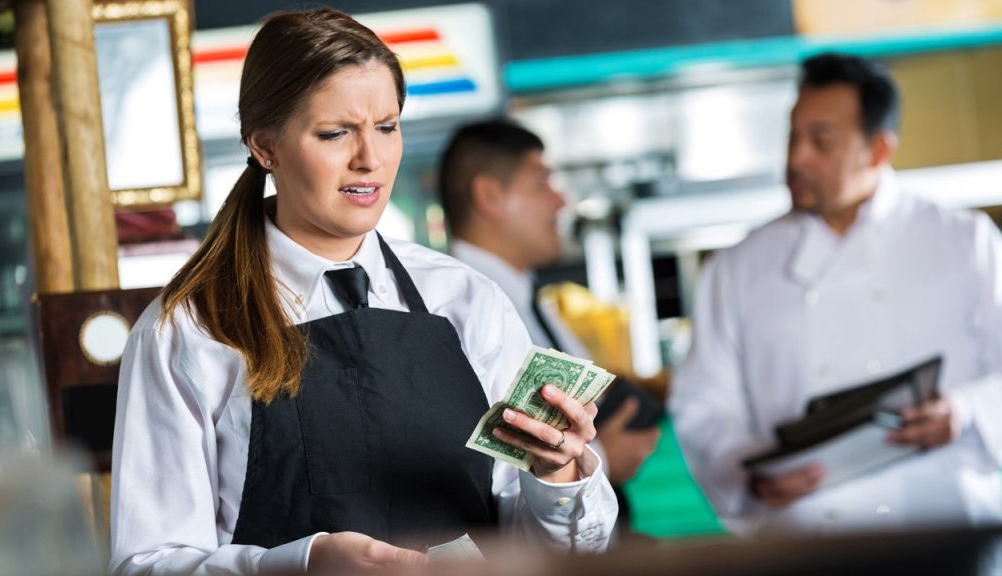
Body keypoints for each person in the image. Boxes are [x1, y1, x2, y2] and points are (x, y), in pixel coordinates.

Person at [110, 8, 618, 575]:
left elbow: (552, 551)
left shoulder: (467, 302)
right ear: (265, 147)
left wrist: (556, 477)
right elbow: (146, 565)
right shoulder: (188, 330)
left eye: (387, 126)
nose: (370, 160)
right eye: (335, 133)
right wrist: (302, 564)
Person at [670, 52, 1002, 535]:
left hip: (950, 526)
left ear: (879, 150)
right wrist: (749, 472)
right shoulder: (735, 268)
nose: (796, 158)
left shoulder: (964, 241)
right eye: (792, 136)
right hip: (811, 540)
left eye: (820, 141)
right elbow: (705, 405)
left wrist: (965, 410)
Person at [437, 120, 663, 523]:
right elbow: (488, 460)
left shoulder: (529, 298)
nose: (560, 202)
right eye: (541, 185)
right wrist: (603, 458)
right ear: (489, 195)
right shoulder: (451, 311)